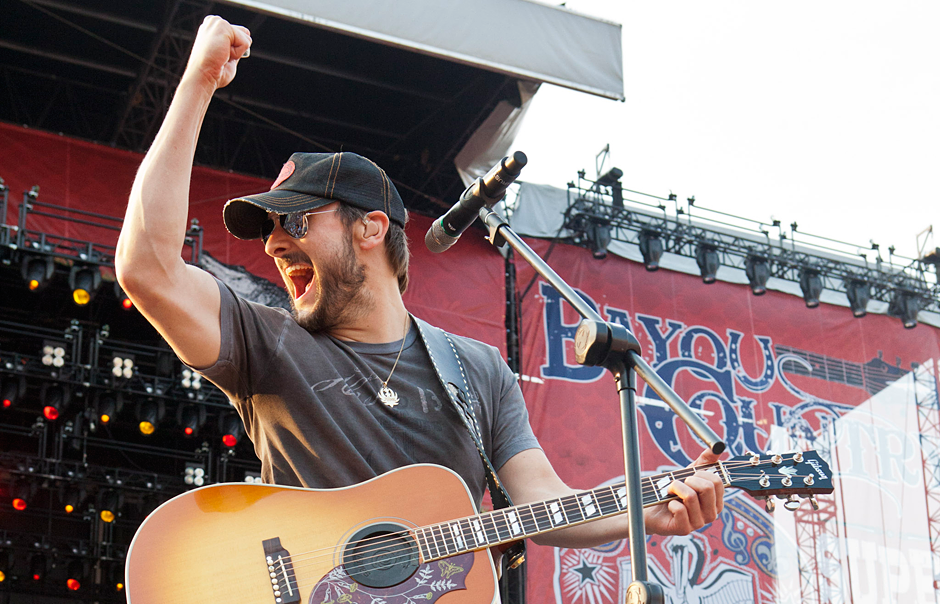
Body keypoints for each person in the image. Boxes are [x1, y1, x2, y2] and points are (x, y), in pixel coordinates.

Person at [115, 15, 723, 554]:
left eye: (295, 222)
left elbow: (541, 502)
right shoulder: (268, 343)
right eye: (269, 232)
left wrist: (644, 513)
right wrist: (197, 83)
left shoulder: (478, 370)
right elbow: (147, 268)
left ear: (370, 228)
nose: (273, 246)